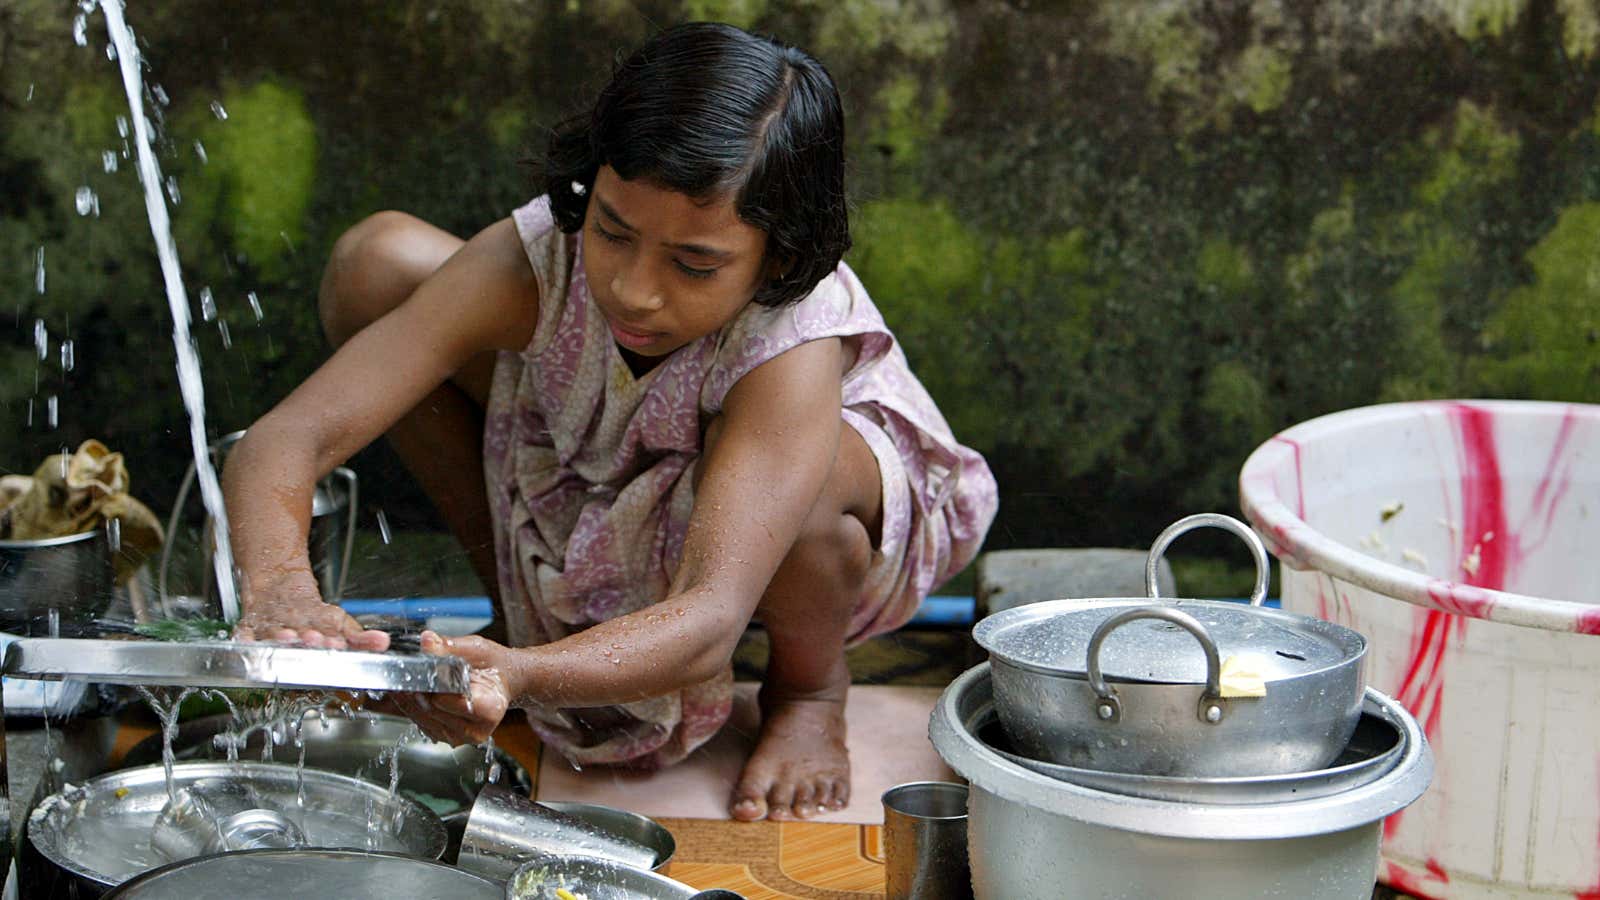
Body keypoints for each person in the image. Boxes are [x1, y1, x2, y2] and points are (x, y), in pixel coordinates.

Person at [222, 21, 997, 822]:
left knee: (815, 485)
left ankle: (809, 689)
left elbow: (707, 619)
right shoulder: (536, 261)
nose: (634, 289)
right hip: (597, 450)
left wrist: (522, 677)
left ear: (779, 254)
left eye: (694, 264)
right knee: (375, 265)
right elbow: (285, 438)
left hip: (799, 526)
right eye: (613, 232)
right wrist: (279, 588)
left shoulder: (790, 341)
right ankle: (513, 609)